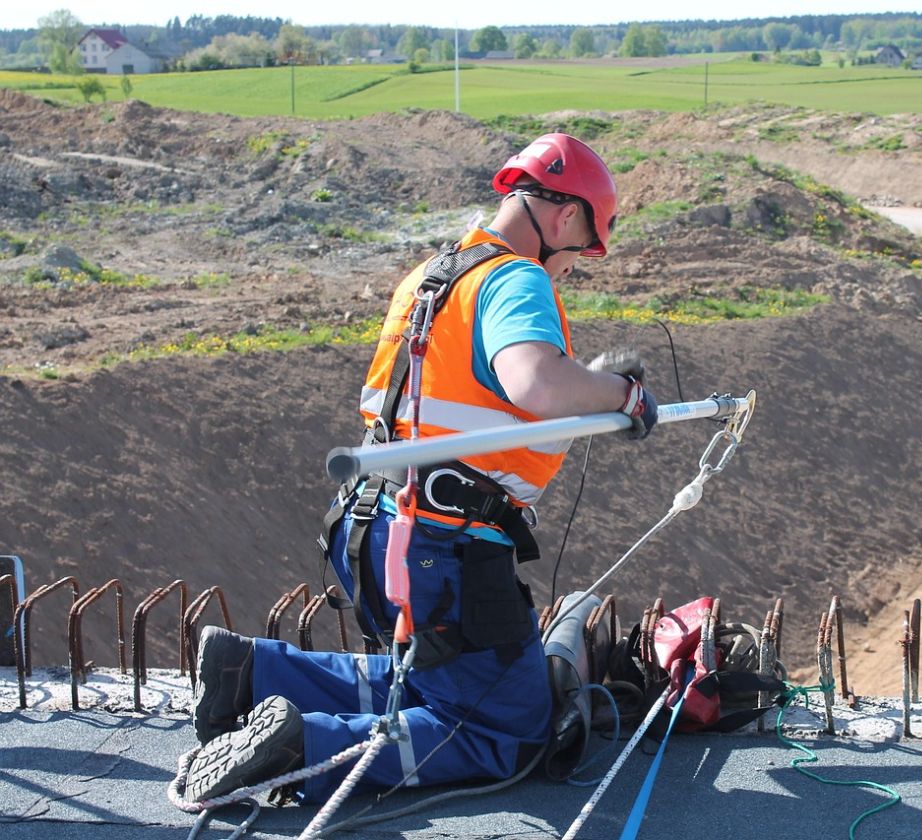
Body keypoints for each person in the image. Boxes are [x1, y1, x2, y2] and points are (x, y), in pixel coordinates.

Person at [184, 133, 658, 803]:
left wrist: (592, 384)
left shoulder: (437, 272)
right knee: (506, 729)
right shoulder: (516, 276)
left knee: (442, 679)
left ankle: (253, 673)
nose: (574, 265)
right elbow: (534, 384)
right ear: (562, 217)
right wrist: (625, 396)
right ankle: (303, 746)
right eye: (581, 248)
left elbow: (470, 395)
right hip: (445, 544)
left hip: (373, 523)